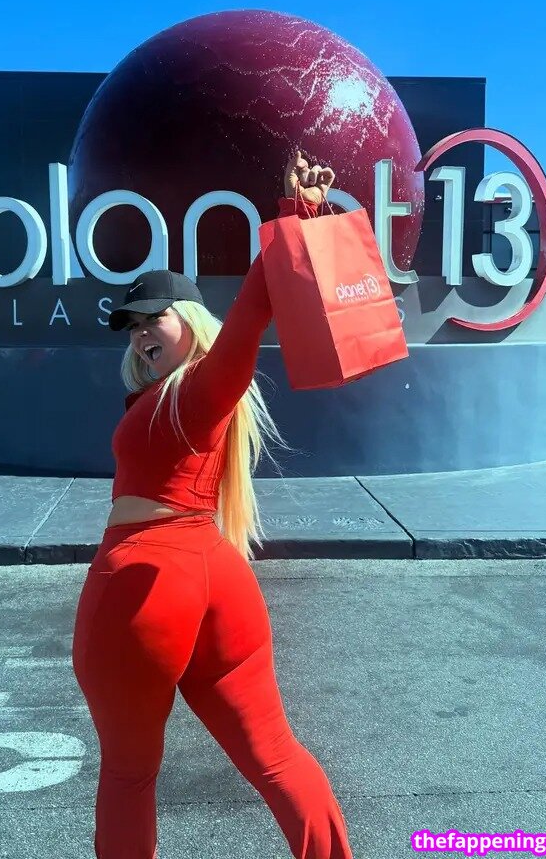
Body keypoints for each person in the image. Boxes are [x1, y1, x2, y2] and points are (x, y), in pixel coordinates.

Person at [71, 152, 354, 859]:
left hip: (147, 584)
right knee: (276, 757)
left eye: (153, 317)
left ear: (192, 320)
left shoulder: (200, 389)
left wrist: (294, 213)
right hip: (217, 579)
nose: (140, 333)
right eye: (131, 325)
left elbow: (253, 311)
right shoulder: (176, 398)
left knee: (129, 776)